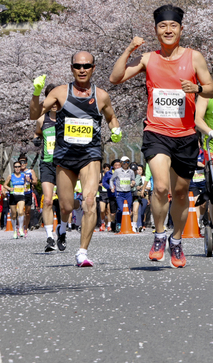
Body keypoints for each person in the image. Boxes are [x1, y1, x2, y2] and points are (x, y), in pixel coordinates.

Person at [109, 4, 213, 268]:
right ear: (156, 30)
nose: (168, 30)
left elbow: (212, 89)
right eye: (162, 26)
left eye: (173, 26)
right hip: (156, 132)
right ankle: (158, 235)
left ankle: (176, 240)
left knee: (180, 192)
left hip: (186, 134)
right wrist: (130, 49)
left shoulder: (194, 57)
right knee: (160, 187)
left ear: (181, 29)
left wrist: (197, 87)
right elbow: (115, 78)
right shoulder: (148, 58)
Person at [29, 51, 122, 267]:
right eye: (78, 66)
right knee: (66, 206)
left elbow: (111, 117)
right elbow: (35, 115)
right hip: (64, 156)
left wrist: (115, 129)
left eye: (87, 66)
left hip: (90, 155)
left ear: (93, 68)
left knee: (90, 201)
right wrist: (35, 94)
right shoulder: (61, 93)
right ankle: (63, 227)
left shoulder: (101, 96)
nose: (82, 70)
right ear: (72, 68)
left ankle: (82, 252)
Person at [34, 83, 60, 251]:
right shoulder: (42, 119)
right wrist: (36, 138)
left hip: (65, 164)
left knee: (65, 204)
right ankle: (50, 238)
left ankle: (62, 231)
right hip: (47, 163)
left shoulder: (68, 118)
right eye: (52, 98)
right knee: (48, 200)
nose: (55, 102)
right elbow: (37, 133)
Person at [111, 156, 136, 232]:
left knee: (127, 210)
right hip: (120, 193)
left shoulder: (131, 172)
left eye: (127, 162)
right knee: (121, 209)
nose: (126, 164)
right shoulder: (117, 171)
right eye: (124, 162)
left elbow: (133, 181)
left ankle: (126, 225)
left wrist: (133, 184)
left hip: (128, 193)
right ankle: (118, 223)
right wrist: (112, 187)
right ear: (121, 163)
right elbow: (111, 180)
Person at [7, 161, 27, 239]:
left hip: (21, 195)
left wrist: (25, 187)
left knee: (21, 211)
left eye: (19, 166)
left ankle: (21, 228)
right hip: (13, 196)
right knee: (14, 214)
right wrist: (9, 188)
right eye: (16, 167)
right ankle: (15, 230)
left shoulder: (23, 175)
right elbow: (5, 185)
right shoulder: (10, 176)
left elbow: (25, 183)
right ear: (14, 167)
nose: (17, 168)